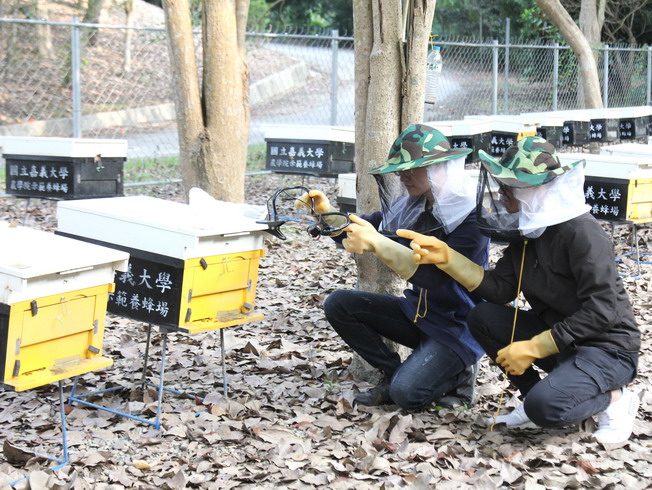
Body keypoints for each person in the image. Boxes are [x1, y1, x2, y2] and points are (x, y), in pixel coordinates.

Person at [397, 136, 641, 444]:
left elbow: (603, 310)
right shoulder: (529, 231)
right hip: (562, 339)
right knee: (483, 316)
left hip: (607, 349)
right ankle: (532, 397)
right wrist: (448, 258)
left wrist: (537, 346)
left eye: (509, 186)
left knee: (548, 410)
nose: (501, 193)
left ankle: (617, 399)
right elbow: (500, 290)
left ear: (535, 188)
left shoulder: (582, 233)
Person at [296, 124, 490, 410]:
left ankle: (457, 377)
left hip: (458, 326)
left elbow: (434, 278)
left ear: (440, 168)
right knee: (340, 303)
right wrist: (327, 215)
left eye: (413, 168)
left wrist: (377, 243)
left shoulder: (472, 218)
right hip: (419, 314)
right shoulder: (413, 205)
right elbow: (366, 225)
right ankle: (393, 373)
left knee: (407, 395)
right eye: (401, 169)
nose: (403, 175)